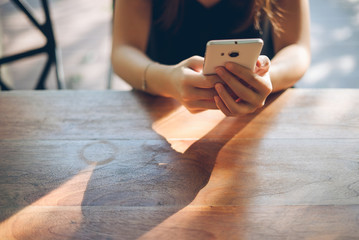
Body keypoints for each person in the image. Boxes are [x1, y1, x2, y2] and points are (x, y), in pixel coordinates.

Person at [111, 0, 310, 116]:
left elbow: (297, 48)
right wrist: (166, 80)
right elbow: (124, 49)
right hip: (161, 115)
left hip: (264, 117)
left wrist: (267, 78)